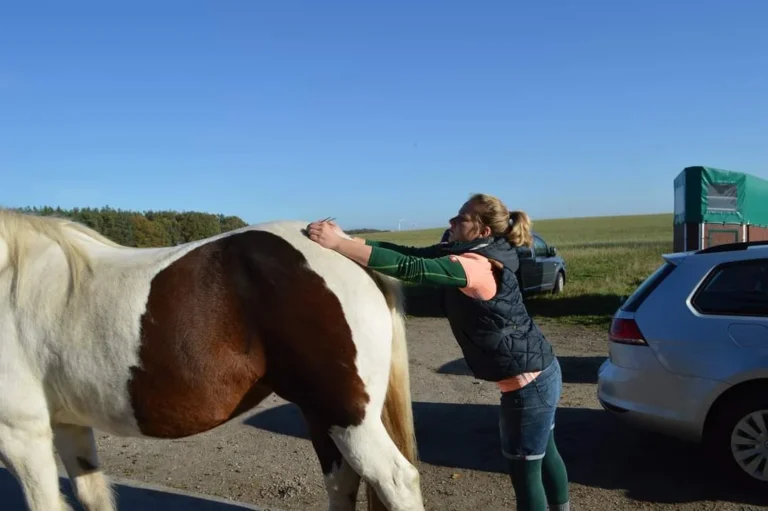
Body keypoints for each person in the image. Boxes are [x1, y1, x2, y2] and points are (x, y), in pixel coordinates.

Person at [306, 193, 570, 511]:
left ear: (483, 231)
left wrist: (338, 246)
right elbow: (408, 252)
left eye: (462, 218)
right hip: (542, 371)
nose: (452, 222)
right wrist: (350, 240)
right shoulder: (478, 250)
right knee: (546, 455)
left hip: (529, 385)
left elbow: (411, 268)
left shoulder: (475, 266)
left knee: (525, 471)